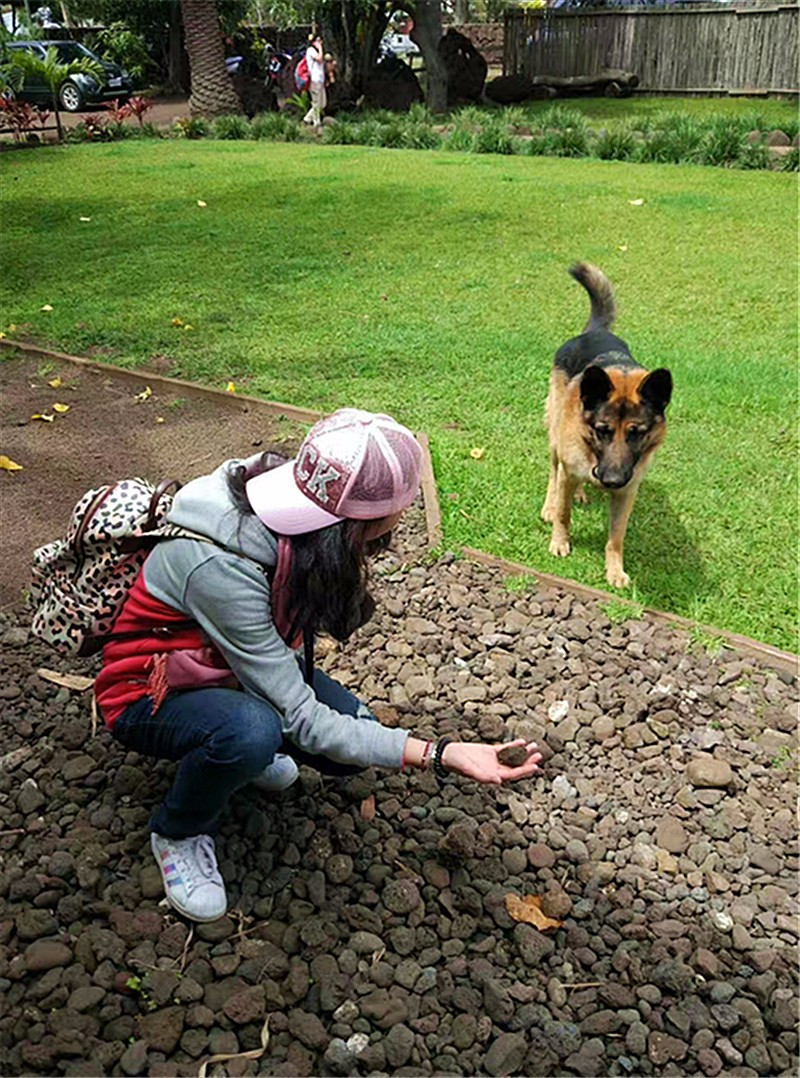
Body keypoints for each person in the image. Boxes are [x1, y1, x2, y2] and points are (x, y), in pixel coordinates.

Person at [95, 409, 542, 923]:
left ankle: (236, 747)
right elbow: (304, 719)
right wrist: (441, 753)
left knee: (353, 745)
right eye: (400, 509)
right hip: (146, 692)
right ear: (363, 523)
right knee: (254, 731)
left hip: (224, 669)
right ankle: (178, 830)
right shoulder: (221, 565)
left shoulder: (295, 501)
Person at [303, 32, 326, 128]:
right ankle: (317, 123)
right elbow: (319, 59)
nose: (321, 42)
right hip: (314, 80)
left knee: (322, 103)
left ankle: (307, 118)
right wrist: (320, 48)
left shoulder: (317, 51)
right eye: (318, 41)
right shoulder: (311, 50)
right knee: (316, 102)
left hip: (320, 80)